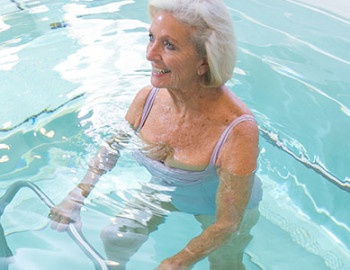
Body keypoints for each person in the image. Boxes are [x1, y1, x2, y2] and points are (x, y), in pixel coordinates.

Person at [49, 0, 262, 269]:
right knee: (115, 237)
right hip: (166, 192)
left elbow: (228, 223)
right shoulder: (147, 99)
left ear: (204, 62)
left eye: (168, 45)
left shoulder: (237, 130)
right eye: (151, 38)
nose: (150, 54)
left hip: (220, 210)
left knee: (224, 263)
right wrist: (77, 195)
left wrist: (179, 260)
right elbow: (112, 148)